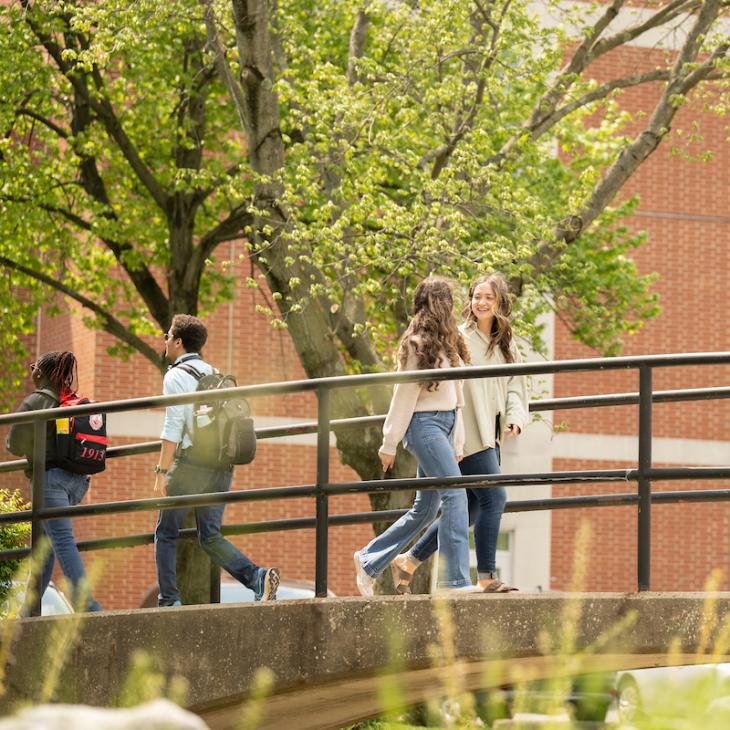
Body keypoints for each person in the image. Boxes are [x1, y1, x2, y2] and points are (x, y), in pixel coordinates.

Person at [391, 273, 529, 593]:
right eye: (476, 296)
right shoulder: (459, 337)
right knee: (494, 497)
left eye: (488, 298)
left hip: (490, 433)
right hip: (464, 432)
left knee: (471, 506)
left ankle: (409, 560)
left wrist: (517, 417)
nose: (481, 302)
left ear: (500, 303)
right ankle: (487, 577)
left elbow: (517, 388)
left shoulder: (507, 345)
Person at [353, 278, 473, 596]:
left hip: (445, 427)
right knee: (456, 495)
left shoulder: (451, 342)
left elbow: (457, 397)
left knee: (424, 509)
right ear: (431, 306)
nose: (447, 309)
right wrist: (389, 442)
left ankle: (369, 560)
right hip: (424, 426)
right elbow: (403, 395)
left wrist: (457, 442)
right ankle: (455, 582)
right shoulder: (416, 344)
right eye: (443, 303)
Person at [153, 314, 279, 606]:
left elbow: (173, 427)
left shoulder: (175, 376)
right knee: (209, 535)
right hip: (221, 464)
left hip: (190, 465)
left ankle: (169, 599)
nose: (166, 341)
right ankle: (257, 577)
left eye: (168, 336)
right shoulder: (215, 373)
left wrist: (161, 471)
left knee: (166, 532)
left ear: (179, 342)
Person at [6, 351, 102, 612]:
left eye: (33, 367)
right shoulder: (71, 400)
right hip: (78, 482)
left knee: (61, 540)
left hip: (49, 482)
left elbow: (14, 444)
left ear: (41, 372)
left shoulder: (35, 401)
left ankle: (89, 606)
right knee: (44, 549)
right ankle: (28, 613)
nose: (30, 370)